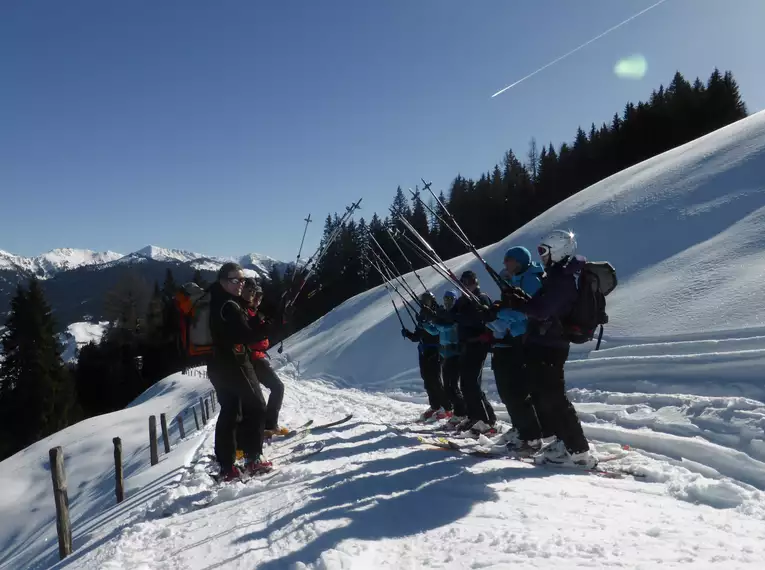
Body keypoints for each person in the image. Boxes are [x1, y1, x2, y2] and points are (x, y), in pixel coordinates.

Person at [509, 230, 597, 468]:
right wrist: (521, 299)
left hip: (551, 344)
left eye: (543, 252)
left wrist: (521, 304)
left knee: (555, 397)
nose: (540, 257)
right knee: (546, 395)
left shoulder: (563, 278)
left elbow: (543, 310)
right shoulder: (557, 274)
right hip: (544, 342)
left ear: (558, 251)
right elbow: (540, 304)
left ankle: (577, 449)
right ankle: (563, 441)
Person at [208, 263, 272, 480]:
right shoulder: (229, 306)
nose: (240, 284)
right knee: (257, 406)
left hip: (217, 366)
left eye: (242, 280)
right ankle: (253, 459)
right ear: (223, 281)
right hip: (235, 365)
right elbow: (246, 335)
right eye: (235, 280)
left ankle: (227, 467)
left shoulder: (217, 300)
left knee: (231, 411)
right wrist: (271, 326)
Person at [486, 246, 547, 453]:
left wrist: (500, 315)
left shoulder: (531, 280)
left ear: (519, 261)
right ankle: (522, 430)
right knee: (510, 391)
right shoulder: (516, 280)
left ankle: (531, 436)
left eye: (508, 260)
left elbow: (526, 313)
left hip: (528, 341)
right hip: (515, 340)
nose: (505, 264)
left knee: (518, 390)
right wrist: (493, 319)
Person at [449, 270, 496, 435]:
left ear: (475, 283)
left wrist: (458, 317)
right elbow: (452, 316)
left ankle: (487, 420)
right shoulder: (462, 301)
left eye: (468, 283)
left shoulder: (480, 298)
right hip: (465, 346)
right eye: (463, 283)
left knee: (471, 383)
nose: (465, 286)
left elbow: (477, 320)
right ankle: (474, 416)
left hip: (478, 345)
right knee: (466, 383)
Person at [241, 278, 289, 437]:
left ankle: (265, 426)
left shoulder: (253, 312)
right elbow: (253, 337)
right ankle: (267, 426)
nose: (258, 299)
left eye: (260, 296)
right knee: (276, 388)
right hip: (253, 359)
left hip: (255, 358)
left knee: (258, 397)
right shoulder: (246, 313)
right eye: (255, 295)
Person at [402, 291, 450, 421]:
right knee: (427, 380)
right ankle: (434, 406)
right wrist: (408, 334)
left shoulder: (437, 313)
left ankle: (447, 407)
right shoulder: (422, 314)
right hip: (424, 351)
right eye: (423, 301)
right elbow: (418, 336)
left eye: (427, 301)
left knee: (435, 379)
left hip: (436, 350)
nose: (424, 303)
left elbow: (437, 331)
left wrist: (426, 321)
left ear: (432, 300)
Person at [422, 290, 466, 426]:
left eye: (450, 298)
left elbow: (446, 328)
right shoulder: (445, 315)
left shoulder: (455, 314)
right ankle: (458, 413)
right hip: (445, 354)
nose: (447, 301)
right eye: (445, 298)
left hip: (455, 354)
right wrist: (426, 324)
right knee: (447, 386)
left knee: (452, 386)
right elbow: (436, 330)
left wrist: (435, 320)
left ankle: (461, 413)